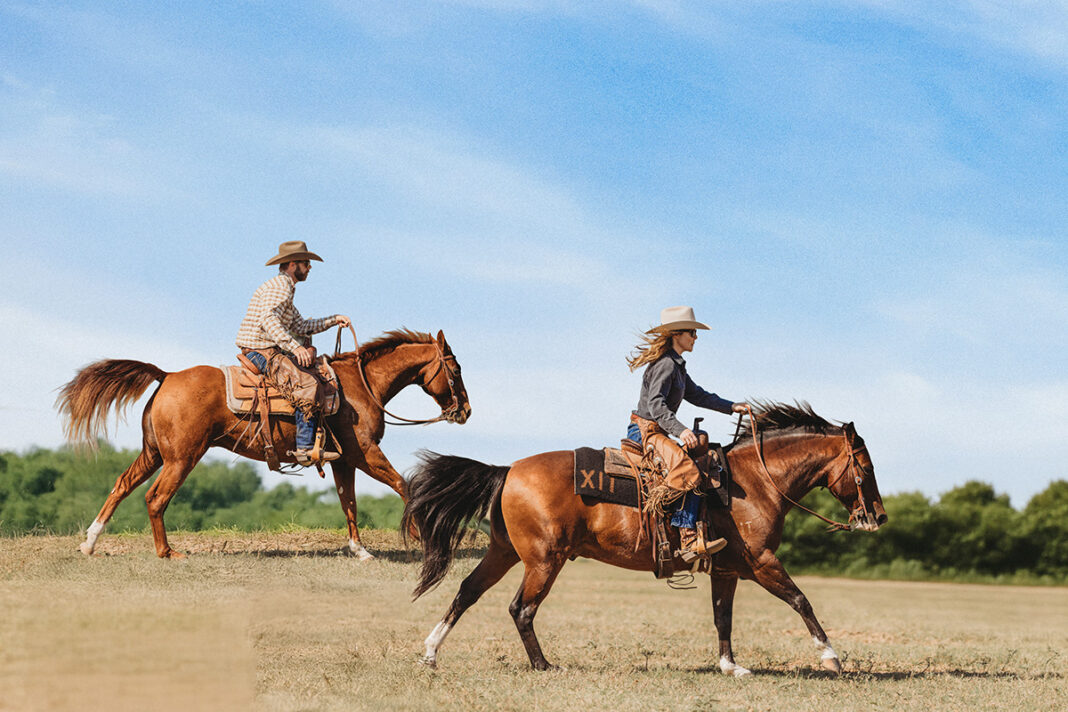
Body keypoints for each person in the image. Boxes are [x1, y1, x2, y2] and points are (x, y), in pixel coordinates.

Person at [626, 306, 748, 562]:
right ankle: (689, 538)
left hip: (658, 429)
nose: (695, 337)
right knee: (689, 472)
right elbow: (656, 405)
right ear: (676, 334)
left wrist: (731, 406)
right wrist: (680, 430)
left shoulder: (677, 366)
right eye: (692, 332)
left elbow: (698, 395)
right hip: (647, 431)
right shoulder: (666, 365)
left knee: (695, 467)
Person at [236, 240, 351, 466]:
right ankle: (305, 448)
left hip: (267, 348)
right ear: (291, 264)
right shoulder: (280, 286)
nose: (309, 268)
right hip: (261, 350)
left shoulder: (286, 288)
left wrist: (333, 320)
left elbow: (300, 326)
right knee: (307, 384)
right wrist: (296, 347)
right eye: (306, 263)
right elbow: (268, 319)